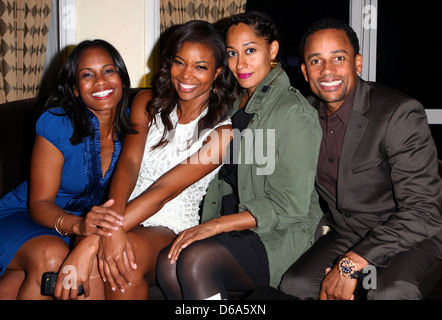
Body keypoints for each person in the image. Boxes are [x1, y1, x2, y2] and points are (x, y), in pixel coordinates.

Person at [156, 11, 322, 300]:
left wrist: (214, 226)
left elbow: (290, 206)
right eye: (232, 53)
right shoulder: (231, 103)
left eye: (250, 51)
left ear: (272, 50)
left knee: (196, 261)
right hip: (231, 225)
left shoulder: (294, 113)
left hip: (277, 235)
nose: (240, 63)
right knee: (168, 263)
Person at [279, 18, 442, 300]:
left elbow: (424, 210)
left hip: (412, 237)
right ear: (305, 72)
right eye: (316, 61)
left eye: (338, 58)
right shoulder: (302, 115)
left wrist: (352, 263)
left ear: (357, 63)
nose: (327, 70)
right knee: (295, 285)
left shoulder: (398, 114)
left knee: (389, 291)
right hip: (348, 232)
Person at [91, 20, 234, 299]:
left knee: (122, 261)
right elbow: (129, 165)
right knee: (100, 264)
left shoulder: (223, 134)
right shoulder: (146, 102)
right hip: (123, 212)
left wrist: (93, 240)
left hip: (169, 224)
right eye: (179, 62)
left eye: (200, 67)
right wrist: (111, 227)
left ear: (217, 72)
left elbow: (162, 192)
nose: (186, 75)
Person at [0, 39, 133, 300]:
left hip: (82, 229)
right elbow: (38, 203)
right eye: (87, 75)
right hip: (25, 216)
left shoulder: (136, 126)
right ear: (74, 88)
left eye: (108, 71)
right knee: (52, 257)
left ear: (122, 78)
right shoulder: (58, 124)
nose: (100, 82)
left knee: (24, 282)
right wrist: (80, 225)